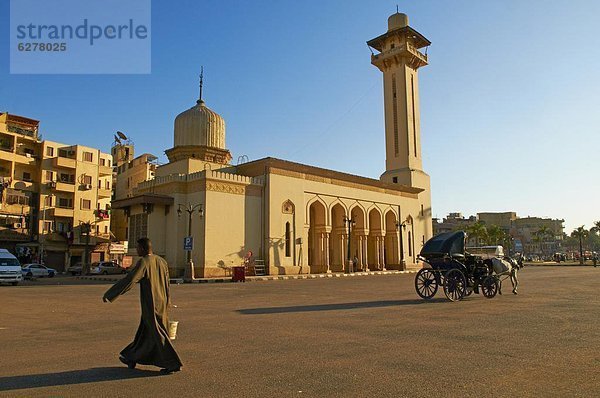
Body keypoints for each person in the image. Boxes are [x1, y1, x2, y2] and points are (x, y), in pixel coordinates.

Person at [103, 237, 182, 374]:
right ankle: (131, 357)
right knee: (145, 333)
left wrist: (111, 293)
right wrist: (168, 301)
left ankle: (172, 363)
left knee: (158, 333)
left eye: (138, 248)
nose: (137, 250)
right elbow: (167, 283)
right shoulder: (162, 261)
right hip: (162, 302)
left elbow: (130, 280)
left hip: (151, 304)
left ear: (144, 249)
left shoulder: (144, 262)